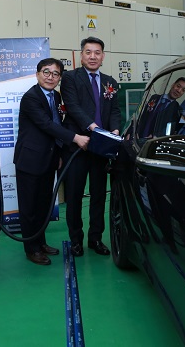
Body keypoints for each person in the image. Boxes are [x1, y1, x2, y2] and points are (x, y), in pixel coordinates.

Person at [14, 58, 90, 265]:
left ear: (59, 78)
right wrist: (75, 138)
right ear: (37, 74)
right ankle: (31, 249)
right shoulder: (31, 98)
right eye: (46, 72)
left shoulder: (56, 96)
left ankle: (40, 243)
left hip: (49, 159)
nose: (50, 77)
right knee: (29, 209)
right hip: (30, 161)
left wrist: (58, 155)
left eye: (55, 74)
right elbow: (47, 125)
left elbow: (57, 125)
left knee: (42, 207)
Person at [61, 36, 121, 257]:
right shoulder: (70, 78)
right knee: (75, 196)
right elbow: (73, 107)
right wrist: (93, 128)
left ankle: (95, 238)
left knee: (99, 195)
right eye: (88, 52)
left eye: (97, 53)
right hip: (78, 146)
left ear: (103, 56)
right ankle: (76, 240)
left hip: (101, 148)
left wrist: (115, 130)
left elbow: (115, 110)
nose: (93, 56)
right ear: (81, 55)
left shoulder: (110, 82)